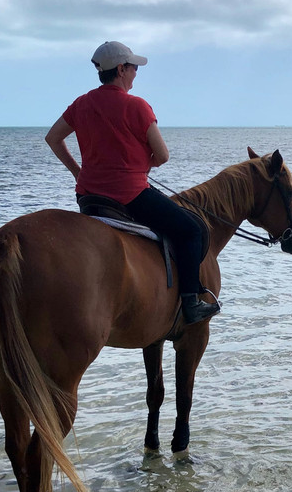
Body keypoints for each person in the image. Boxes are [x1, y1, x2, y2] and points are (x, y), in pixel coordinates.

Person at [45, 41, 220, 325]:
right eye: (134, 67)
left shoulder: (81, 104)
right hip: (130, 196)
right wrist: (140, 165)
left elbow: (53, 139)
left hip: (89, 197)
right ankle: (191, 303)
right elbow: (162, 155)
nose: (137, 73)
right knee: (191, 230)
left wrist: (78, 173)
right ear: (121, 69)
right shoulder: (137, 106)